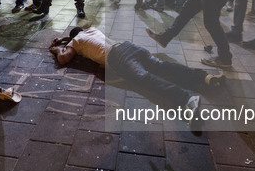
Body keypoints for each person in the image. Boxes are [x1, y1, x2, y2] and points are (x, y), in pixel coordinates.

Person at [49, 27, 225, 120]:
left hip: (117, 57)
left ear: (72, 38)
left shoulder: (77, 41)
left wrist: (58, 48)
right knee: (162, 66)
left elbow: (64, 59)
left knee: (145, 78)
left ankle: (185, 99)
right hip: (128, 46)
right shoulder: (91, 30)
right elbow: (78, 33)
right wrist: (65, 39)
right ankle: (204, 77)